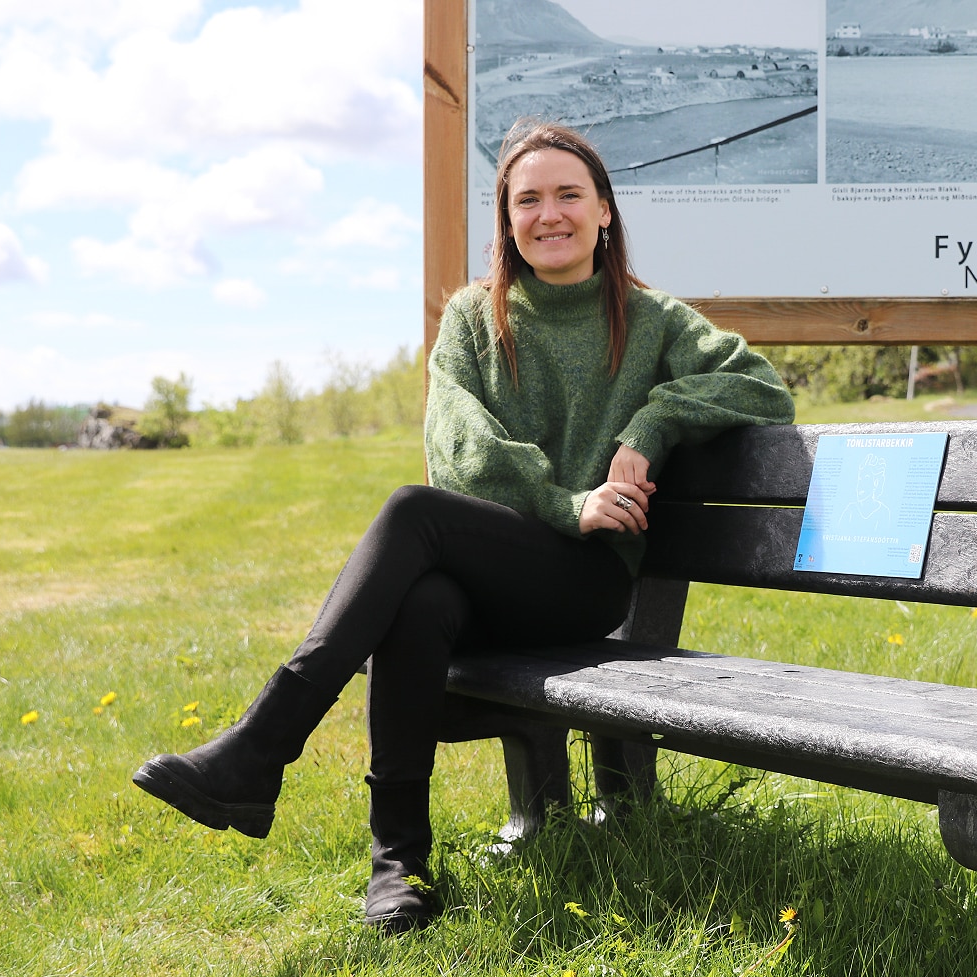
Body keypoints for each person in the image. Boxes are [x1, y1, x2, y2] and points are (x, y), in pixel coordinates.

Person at [132, 118, 796, 934]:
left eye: (568, 195)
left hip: (585, 581)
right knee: (420, 601)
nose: (548, 214)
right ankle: (398, 865)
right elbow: (459, 447)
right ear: (507, 220)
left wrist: (650, 425)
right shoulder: (475, 318)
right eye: (528, 200)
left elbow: (761, 388)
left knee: (410, 511)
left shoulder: (652, 319)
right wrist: (563, 501)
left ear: (604, 211)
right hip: (495, 575)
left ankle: (261, 747)